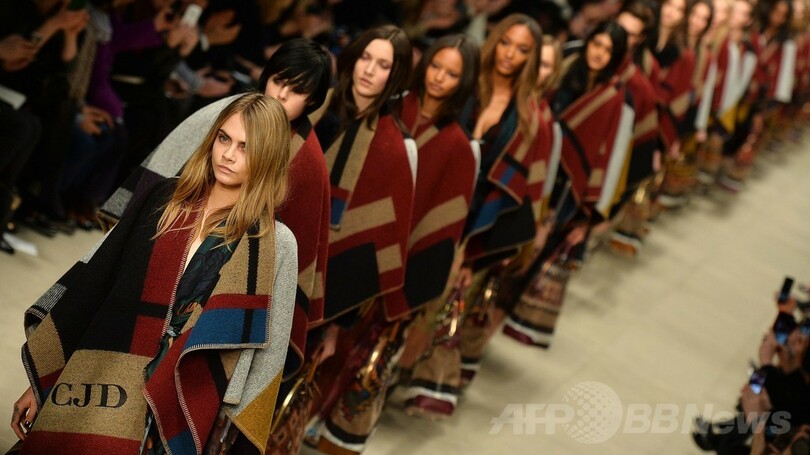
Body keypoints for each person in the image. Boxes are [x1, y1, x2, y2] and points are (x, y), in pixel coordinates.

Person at [10, 93, 298, 454]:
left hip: (180, 395)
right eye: (224, 138)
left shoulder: (272, 242)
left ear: (269, 158)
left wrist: (229, 425)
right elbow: (95, 286)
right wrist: (43, 383)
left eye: (246, 147)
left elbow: (267, 352)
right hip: (104, 370)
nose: (228, 155)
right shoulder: (165, 198)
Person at [98, 38, 333, 380]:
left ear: (313, 99)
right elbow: (173, 173)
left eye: (296, 90)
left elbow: (287, 257)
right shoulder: (228, 113)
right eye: (278, 80)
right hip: (174, 239)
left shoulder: (308, 164)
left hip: (226, 287)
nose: (281, 95)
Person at [402, 14, 548, 416]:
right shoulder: (464, 83)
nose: (510, 54)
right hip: (428, 197)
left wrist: (475, 253)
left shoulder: (526, 115)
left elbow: (512, 188)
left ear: (532, 58)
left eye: (522, 50)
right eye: (506, 43)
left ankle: (396, 376)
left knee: (432, 304)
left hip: (472, 221)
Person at [304, 25, 416, 454]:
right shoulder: (315, 107)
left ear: (396, 76)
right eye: (366, 58)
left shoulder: (393, 147)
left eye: (383, 65)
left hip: (322, 290)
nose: (369, 70)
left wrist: (337, 327)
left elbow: (370, 244)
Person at [610, 0, 664, 256]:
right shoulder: (582, 55)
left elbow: (642, 131)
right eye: (620, 28)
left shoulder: (639, 83)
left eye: (630, 34)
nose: (622, 37)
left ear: (640, 39)